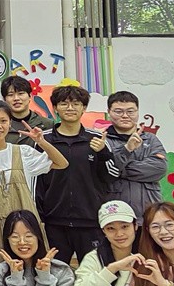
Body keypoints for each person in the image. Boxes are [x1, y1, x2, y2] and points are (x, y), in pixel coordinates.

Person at [0, 100, 68, 263]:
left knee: (34, 269)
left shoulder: (23, 153)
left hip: (26, 228)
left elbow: (62, 163)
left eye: (3, 121)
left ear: (10, 123)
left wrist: (41, 141)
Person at [36, 84, 115, 264]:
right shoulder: (44, 140)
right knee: (55, 274)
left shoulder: (97, 139)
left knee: (94, 273)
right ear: (55, 108)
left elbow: (112, 176)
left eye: (76, 104)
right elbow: (36, 182)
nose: (70, 108)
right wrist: (40, 217)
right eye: (64, 103)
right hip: (54, 223)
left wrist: (103, 153)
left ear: (84, 108)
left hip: (90, 221)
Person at [103, 91, 168, 225]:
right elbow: (103, 170)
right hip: (116, 217)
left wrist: (119, 170)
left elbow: (160, 168)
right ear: (109, 112)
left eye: (130, 111)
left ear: (137, 112)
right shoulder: (103, 140)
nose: (125, 115)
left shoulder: (150, 139)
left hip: (149, 215)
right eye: (118, 111)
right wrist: (126, 150)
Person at [0, 76, 55, 147]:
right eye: (10, 95)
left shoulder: (47, 124)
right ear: (4, 99)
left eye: (20, 93)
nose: (16, 98)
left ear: (30, 96)